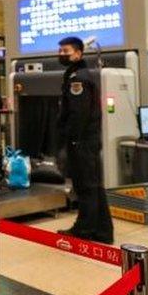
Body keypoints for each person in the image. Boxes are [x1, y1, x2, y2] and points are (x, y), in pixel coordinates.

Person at [55, 36, 114, 244]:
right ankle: (103, 231)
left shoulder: (78, 79)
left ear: (79, 53)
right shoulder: (76, 74)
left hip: (82, 141)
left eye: (66, 51)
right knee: (94, 185)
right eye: (60, 50)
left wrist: (71, 140)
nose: (62, 54)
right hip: (87, 140)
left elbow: (78, 115)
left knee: (86, 186)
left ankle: (85, 229)